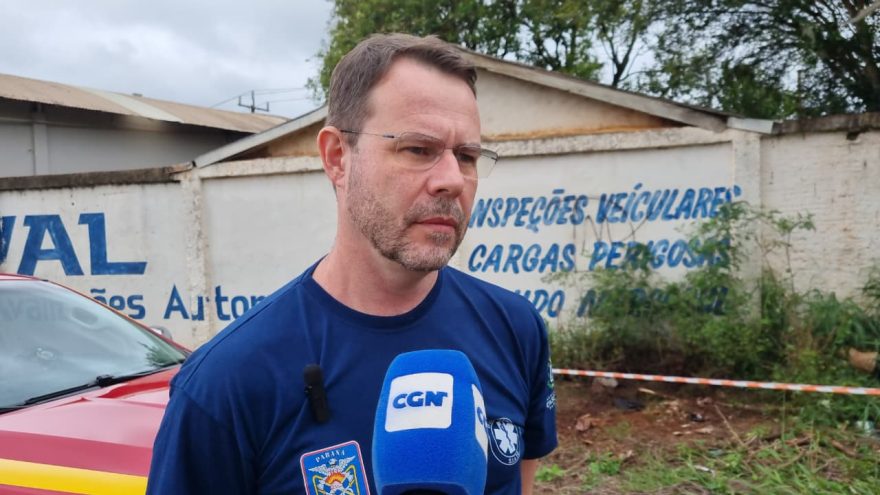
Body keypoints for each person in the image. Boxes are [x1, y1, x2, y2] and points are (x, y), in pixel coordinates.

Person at [146, 33, 557, 495]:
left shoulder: (515, 328)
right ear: (337, 157)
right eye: (418, 149)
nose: (452, 180)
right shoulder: (224, 384)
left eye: (467, 156)